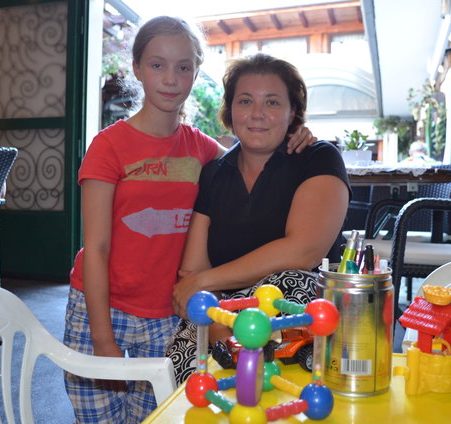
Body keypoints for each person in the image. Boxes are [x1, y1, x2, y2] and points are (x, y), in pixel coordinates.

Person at [61, 16, 316, 423]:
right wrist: (102, 339)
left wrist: (297, 133)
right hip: (101, 306)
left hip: (167, 314)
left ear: (197, 72)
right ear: (137, 69)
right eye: (158, 65)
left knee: (155, 417)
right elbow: (97, 247)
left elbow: (253, 148)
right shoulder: (108, 147)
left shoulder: (202, 147)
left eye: (184, 67)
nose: (171, 78)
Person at [167, 53, 351, 384]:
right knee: (184, 354)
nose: (257, 114)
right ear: (230, 110)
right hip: (222, 314)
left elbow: (304, 252)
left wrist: (206, 282)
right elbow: (192, 272)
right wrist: (224, 330)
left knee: (285, 283)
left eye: (272, 102)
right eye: (246, 100)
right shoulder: (214, 173)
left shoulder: (317, 158)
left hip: (301, 319)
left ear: (292, 112)